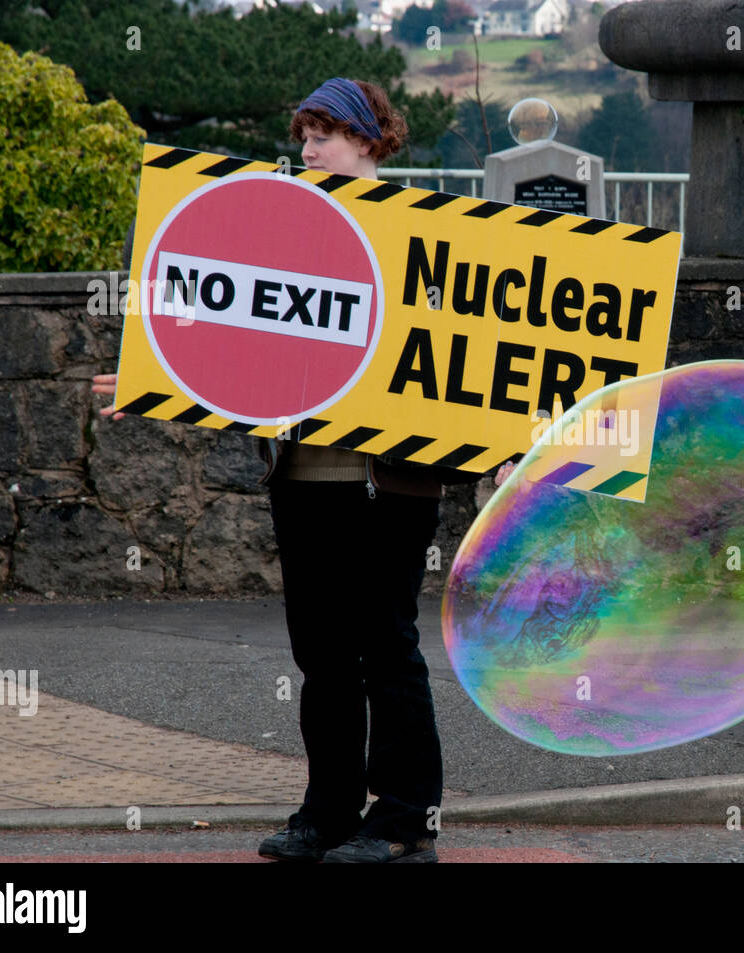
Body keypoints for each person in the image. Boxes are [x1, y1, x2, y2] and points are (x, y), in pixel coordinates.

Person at [94, 78, 506, 863]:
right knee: (321, 652)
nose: (308, 150)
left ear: (369, 140)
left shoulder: (428, 236)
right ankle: (328, 810)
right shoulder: (284, 228)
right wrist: (152, 379)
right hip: (305, 475)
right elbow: (241, 336)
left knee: (385, 644)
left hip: (390, 483)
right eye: (305, 136)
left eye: (324, 135)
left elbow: (474, 355)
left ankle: (405, 819)